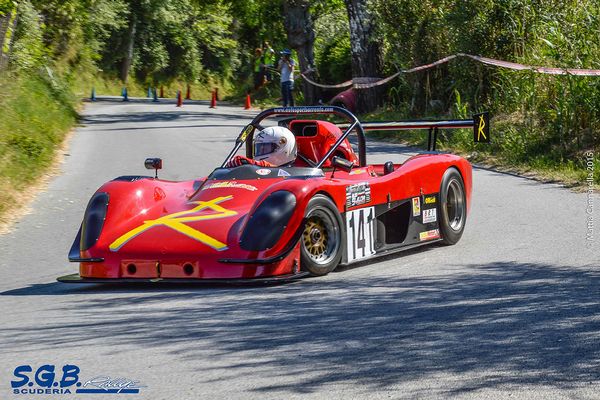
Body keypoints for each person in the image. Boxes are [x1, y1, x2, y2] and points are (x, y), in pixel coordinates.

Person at [225, 126, 297, 168]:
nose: (260, 152)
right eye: (259, 149)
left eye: (265, 148)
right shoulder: (255, 167)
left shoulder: (296, 176)